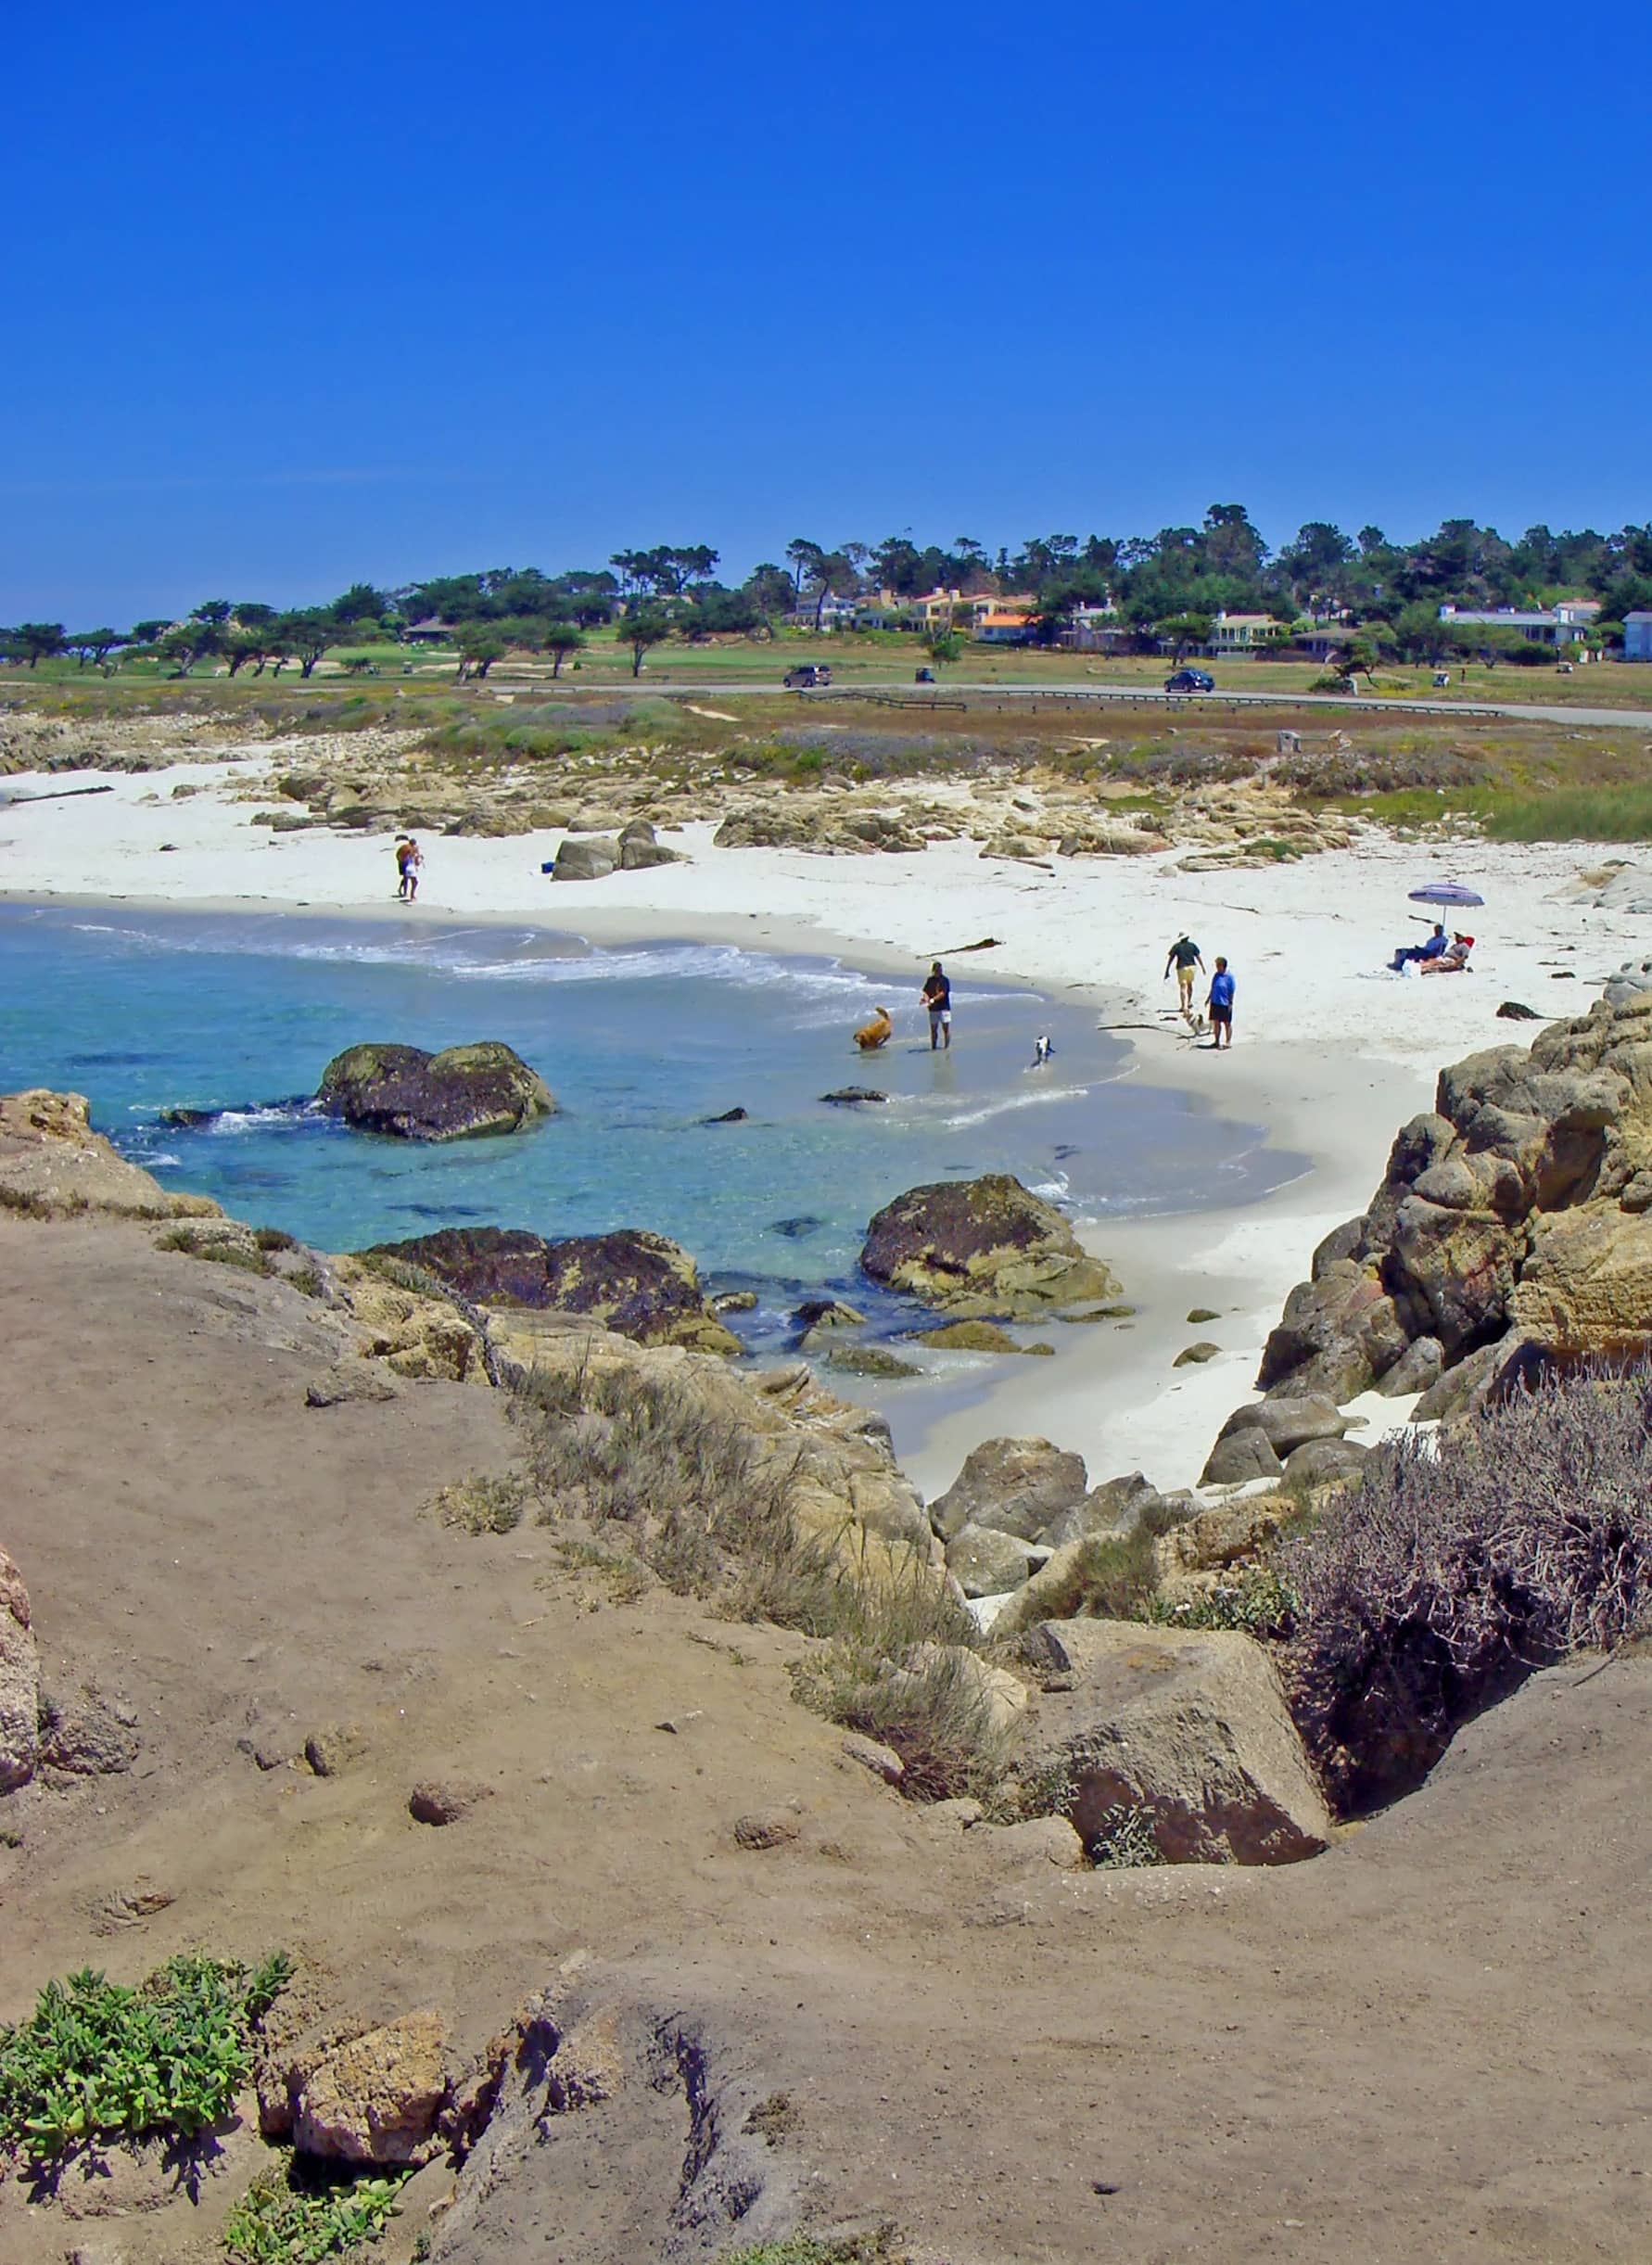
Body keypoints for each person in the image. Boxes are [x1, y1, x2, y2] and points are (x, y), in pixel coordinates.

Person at [1164, 934, 1204, 1015]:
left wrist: (1167, 969)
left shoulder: (1177, 946)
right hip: (1192, 967)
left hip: (1182, 967)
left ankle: (1183, 1006)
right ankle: (1189, 1002)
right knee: (1190, 985)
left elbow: (1171, 958)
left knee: (1183, 986)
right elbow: (1198, 956)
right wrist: (1202, 967)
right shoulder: (1192, 945)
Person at [921, 961, 952, 1050]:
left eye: (940, 970)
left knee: (945, 1029)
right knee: (933, 1029)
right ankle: (933, 1047)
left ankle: (946, 1047)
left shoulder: (945, 980)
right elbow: (925, 991)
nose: (939, 972)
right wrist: (925, 999)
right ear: (933, 971)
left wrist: (933, 1000)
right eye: (937, 970)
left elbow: (943, 993)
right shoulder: (930, 980)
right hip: (933, 1009)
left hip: (944, 1008)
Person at [1207, 957, 1236, 1048]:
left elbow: (1231, 991)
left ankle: (1228, 1042)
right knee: (1216, 1023)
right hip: (1215, 1002)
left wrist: (1230, 1003)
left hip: (1225, 1003)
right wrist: (1208, 998)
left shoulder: (1229, 977)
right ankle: (1217, 1041)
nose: (1217, 967)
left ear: (1223, 966)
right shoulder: (1216, 975)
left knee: (1227, 1023)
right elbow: (1213, 987)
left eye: (1218, 966)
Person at [397, 835, 423, 901]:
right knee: (412, 881)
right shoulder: (411, 849)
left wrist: (400, 861)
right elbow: (416, 861)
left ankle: (402, 890)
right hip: (408, 865)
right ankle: (408, 894)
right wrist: (418, 855)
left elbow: (397, 854)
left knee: (405, 878)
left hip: (402, 863)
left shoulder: (404, 846)